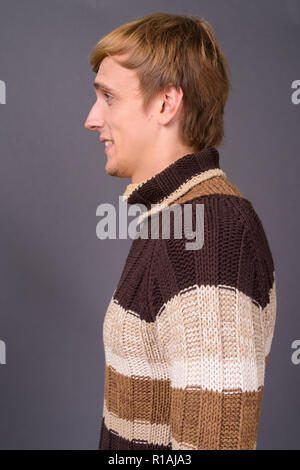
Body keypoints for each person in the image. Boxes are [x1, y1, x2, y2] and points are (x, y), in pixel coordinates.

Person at [84, 12, 277, 450]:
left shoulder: (211, 232)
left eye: (108, 97)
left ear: (166, 104)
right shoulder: (177, 218)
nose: (92, 119)